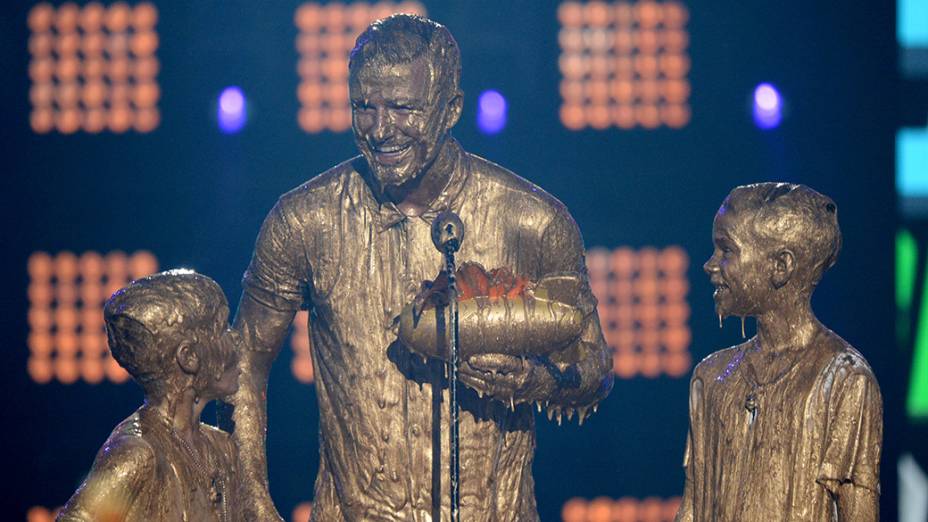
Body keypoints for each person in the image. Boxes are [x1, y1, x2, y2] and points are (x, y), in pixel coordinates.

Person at [229, 14, 612, 521]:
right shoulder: (304, 221)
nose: (380, 128)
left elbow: (594, 369)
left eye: (403, 108)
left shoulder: (533, 222)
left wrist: (532, 381)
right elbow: (241, 362)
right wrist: (254, 504)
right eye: (364, 107)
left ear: (451, 108)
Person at [675, 183, 882, 521]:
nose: (710, 265)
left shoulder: (845, 379)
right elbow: (692, 509)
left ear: (781, 266)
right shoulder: (710, 378)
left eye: (726, 250)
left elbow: (858, 511)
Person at [58, 270, 242, 522]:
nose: (235, 338)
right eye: (222, 328)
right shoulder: (138, 454)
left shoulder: (221, 449)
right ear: (188, 357)